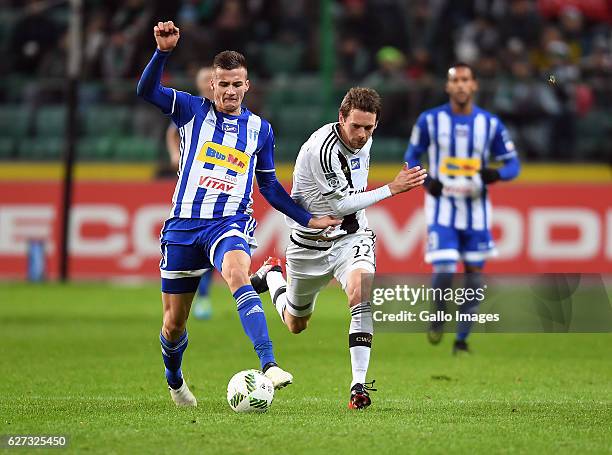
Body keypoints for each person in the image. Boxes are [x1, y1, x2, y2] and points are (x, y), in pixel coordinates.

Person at [136, 20, 339, 407]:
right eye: (223, 84)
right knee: (173, 324)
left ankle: (269, 364)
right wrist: (162, 52)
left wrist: (307, 218)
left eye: (237, 84)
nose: (230, 91)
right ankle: (174, 379)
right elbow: (146, 91)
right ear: (212, 85)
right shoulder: (190, 110)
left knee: (236, 274)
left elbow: (269, 186)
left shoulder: (260, 130)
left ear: (247, 86)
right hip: (182, 227)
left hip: (229, 221)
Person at [249, 87, 427, 409]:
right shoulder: (322, 150)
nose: (361, 135)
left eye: (368, 128)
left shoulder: (366, 138)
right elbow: (341, 202)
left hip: (351, 237)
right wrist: (392, 188)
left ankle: (358, 385)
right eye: (355, 126)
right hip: (308, 243)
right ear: (341, 117)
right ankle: (273, 275)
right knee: (295, 324)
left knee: (362, 292)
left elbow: (350, 206)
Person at [404, 63, 521, 354]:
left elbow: (513, 164)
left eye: (465, 80)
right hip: (442, 209)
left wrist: (496, 174)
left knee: (475, 277)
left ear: (474, 85)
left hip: (476, 212)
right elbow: (411, 157)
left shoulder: (490, 124)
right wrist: (427, 181)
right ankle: (438, 315)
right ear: (447, 87)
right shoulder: (429, 121)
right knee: (444, 269)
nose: (460, 85)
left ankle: (461, 340)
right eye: (454, 80)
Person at [165, 67, 215, 320]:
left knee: (213, 246)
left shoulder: (229, 112)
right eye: (204, 81)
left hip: (220, 188)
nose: (209, 84)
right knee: (193, 245)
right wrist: (176, 155)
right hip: (192, 186)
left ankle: (203, 296)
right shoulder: (191, 108)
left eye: (211, 80)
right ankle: (195, 297)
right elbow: (172, 133)